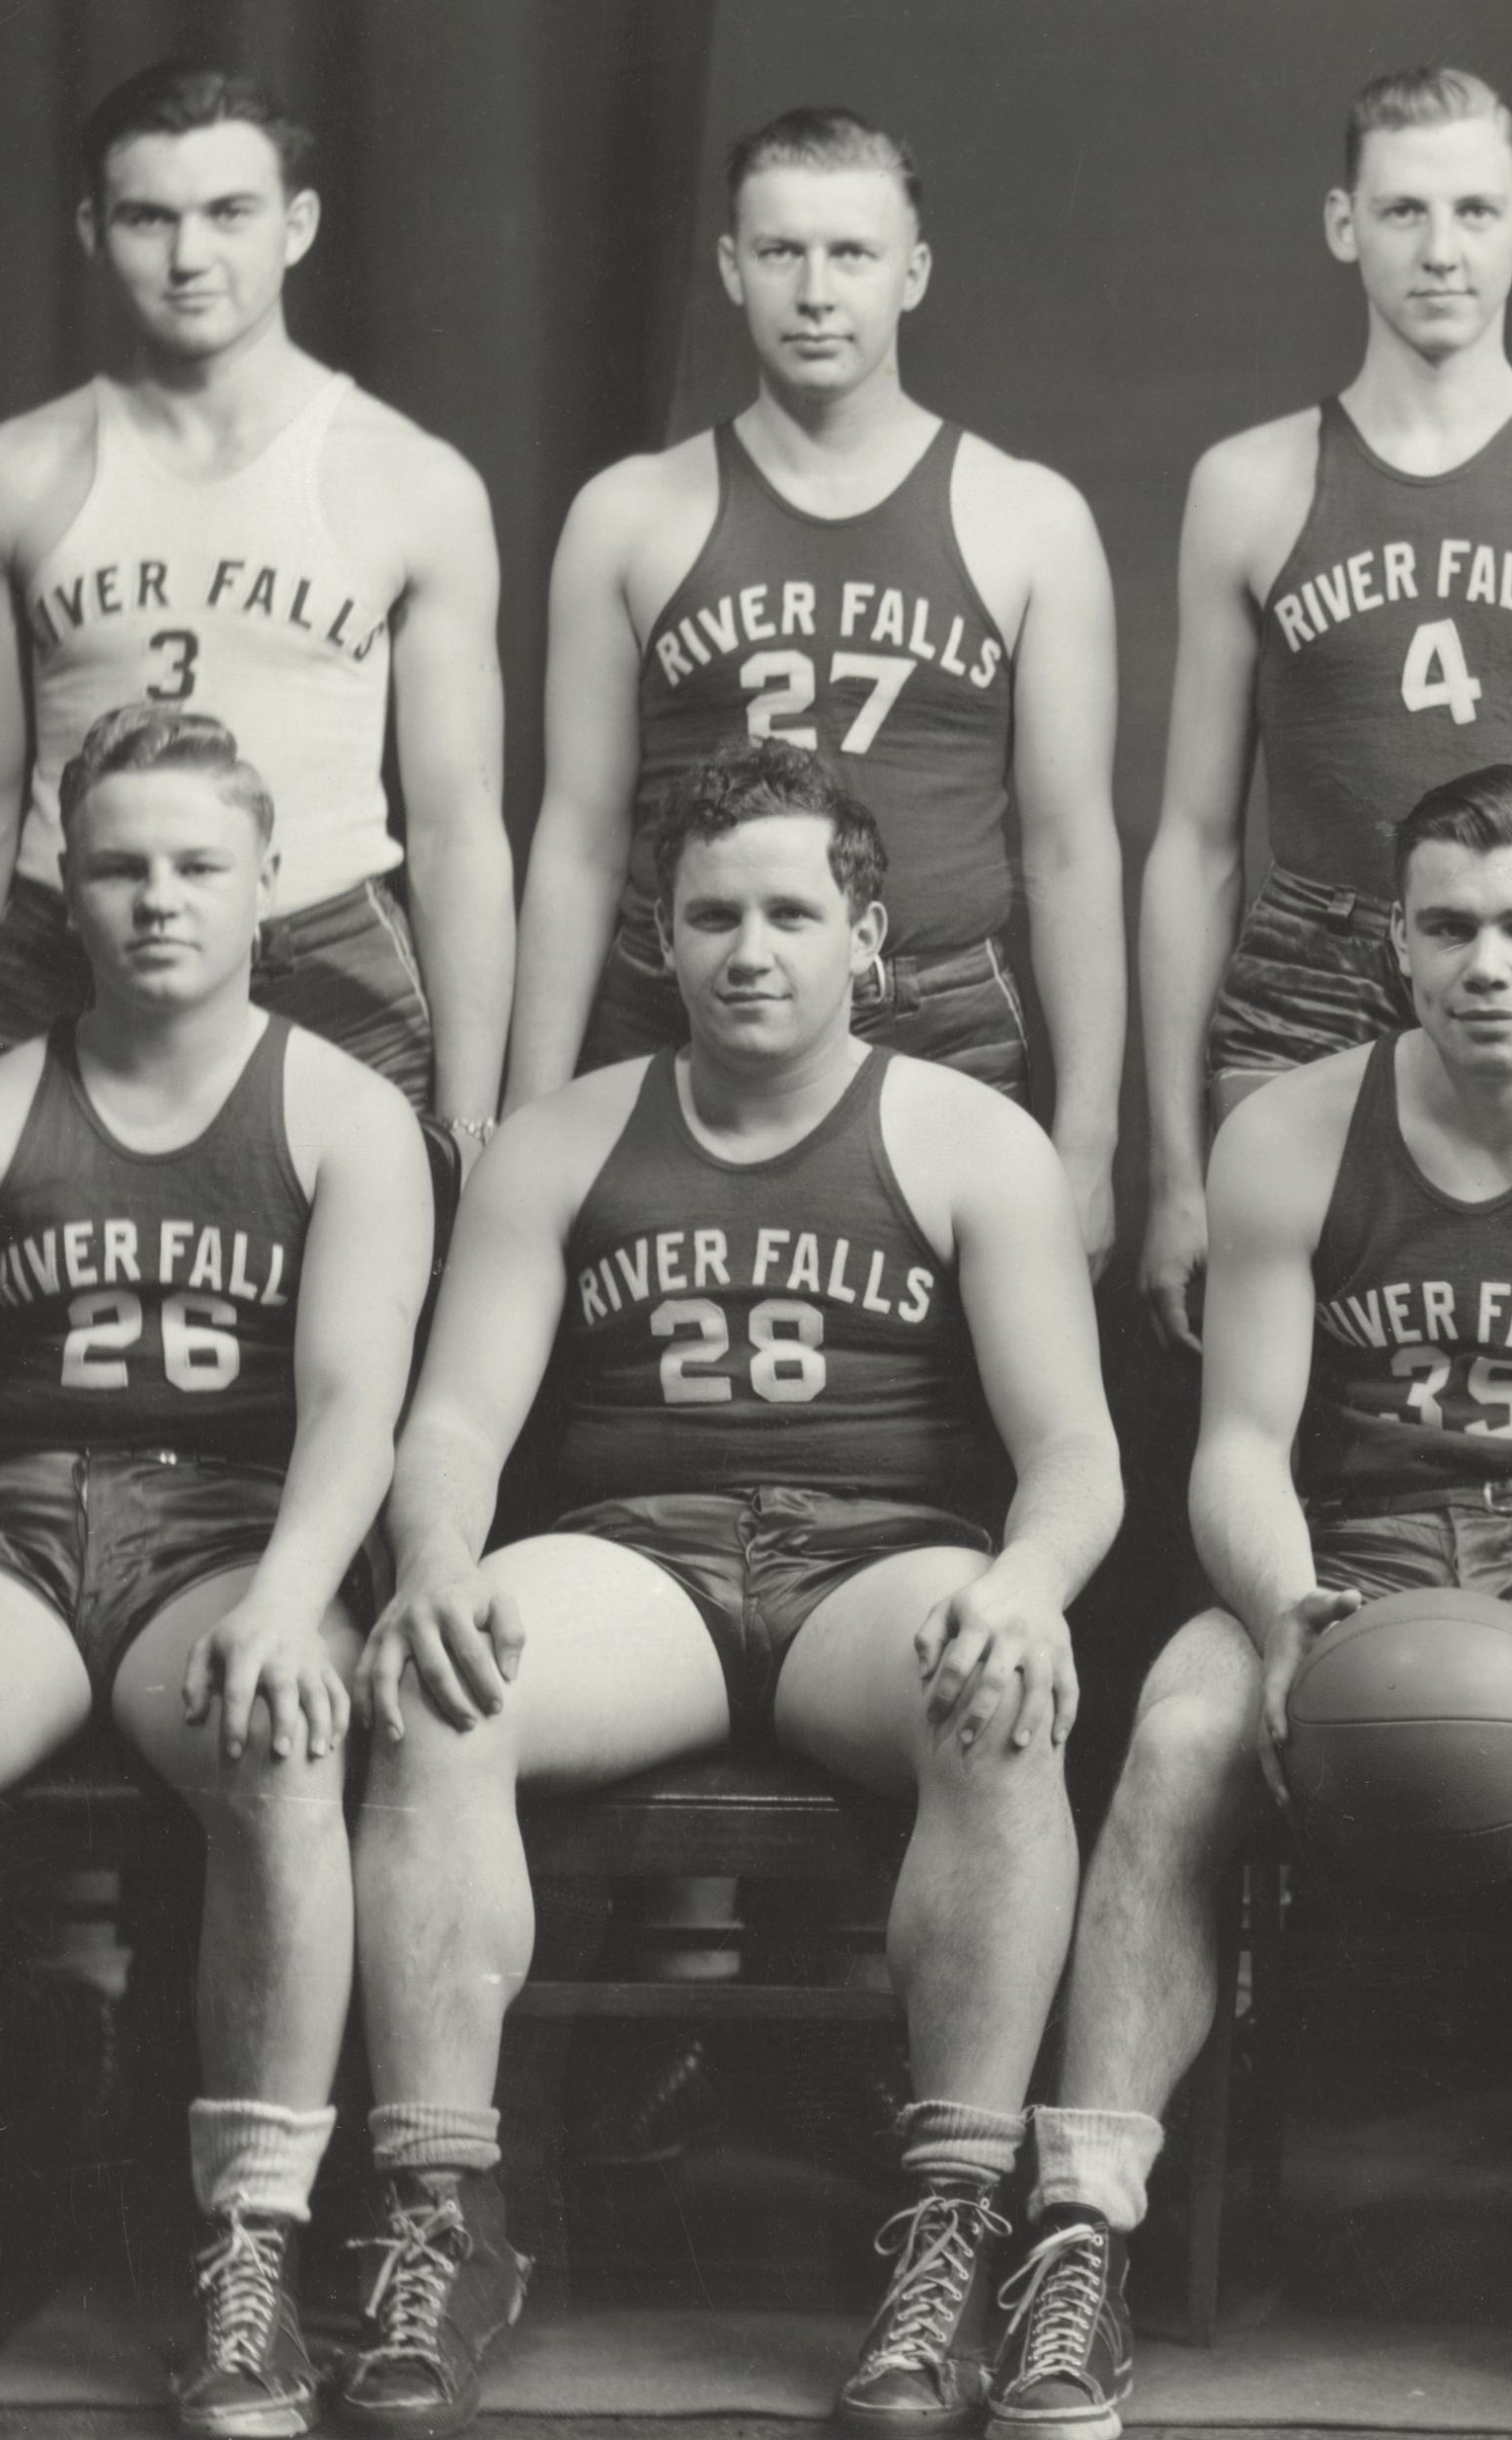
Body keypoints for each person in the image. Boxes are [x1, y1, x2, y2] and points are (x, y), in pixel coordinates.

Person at [992, 769, 1512, 2440]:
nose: (1487, 963)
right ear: (1396, 943)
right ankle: (1080, 2234)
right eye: (1449, 926)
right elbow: (1238, 1451)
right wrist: (1287, 1607)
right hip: (1349, 1556)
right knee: (1183, 1723)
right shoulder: (1287, 1130)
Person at [335, 739, 1123, 2438]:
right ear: (660, 940)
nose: (747, 948)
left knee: (998, 1698)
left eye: (786, 912)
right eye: (710, 916)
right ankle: (442, 2217)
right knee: (439, 1686)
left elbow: (1073, 1447)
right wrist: (434, 1566)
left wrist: (1032, 1583)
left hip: (873, 1556)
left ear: (869, 935)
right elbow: (457, 1415)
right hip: (645, 1560)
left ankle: (948, 2234)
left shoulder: (970, 1137)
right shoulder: (562, 1142)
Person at [0, 705, 433, 2437]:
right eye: (118, 865)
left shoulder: (346, 1117)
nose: (158, 899)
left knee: (283, 1745)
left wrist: (290, 1596)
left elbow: (356, 1407)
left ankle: (252, 2256)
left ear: (269, 883)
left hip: (229, 1535)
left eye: (198, 865)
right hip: (26, 1532)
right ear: (66, 884)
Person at [1136, 64, 1512, 1351]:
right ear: (1345, 227)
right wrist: (1176, 1174)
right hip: (1313, 972)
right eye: (1404, 213)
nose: (1441, 250)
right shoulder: (1247, 486)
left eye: (1473, 212)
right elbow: (1193, 842)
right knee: (1298, 1402)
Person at [509, 106, 1124, 1255]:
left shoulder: (1026, 516)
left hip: (935, 1008)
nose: (817, 288)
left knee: (945, 1402)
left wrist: (1087, 1142)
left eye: (853, 252)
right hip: (681, 1001)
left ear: (914, 271)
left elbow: (1070, 848)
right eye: (782, 251)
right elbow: (580, 837)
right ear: (733, 267)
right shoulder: (628, 515)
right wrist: (529, 1117)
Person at [0, 61, 509, 1150]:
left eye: (230, 213)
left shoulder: (414, 481)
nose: (190, 258)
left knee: (355, 1313)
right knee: (42, 1309)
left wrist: (470, 1118)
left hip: (323, 953)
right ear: (93, 228)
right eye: (148, 217)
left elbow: (459, 827)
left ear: (298, 223)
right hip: (67, 946)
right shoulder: (12, 475)